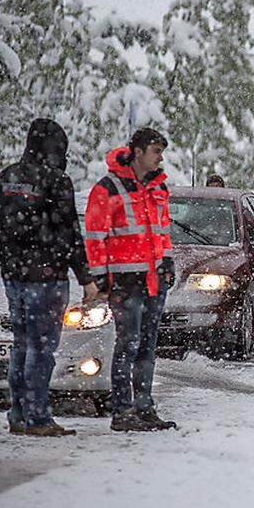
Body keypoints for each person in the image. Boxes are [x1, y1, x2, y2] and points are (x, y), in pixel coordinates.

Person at [0, 119, 99, 437]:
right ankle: (37, 416)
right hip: (46, 277)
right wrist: (86, 278)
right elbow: (69, 232)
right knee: (41, 349)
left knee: (21, 345)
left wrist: (8, 263)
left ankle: (18, 412)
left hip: (15, 276)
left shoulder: (6, 179)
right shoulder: (57, 181)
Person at [84, 127, 177, 432]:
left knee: (148, 346)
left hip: (153, 278)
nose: (160, 157)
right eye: (156, 151)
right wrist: (99, 278)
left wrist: (167, 261)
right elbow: (96, 237)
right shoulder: (108, 189)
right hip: (125, 281)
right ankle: (123, 411)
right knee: (128, 344)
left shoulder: (159, 188)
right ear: (137, 151)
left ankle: (144, 406)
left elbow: (162, 231)